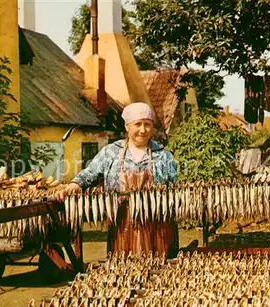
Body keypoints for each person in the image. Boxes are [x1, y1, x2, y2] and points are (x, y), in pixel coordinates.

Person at [55, 102, 179, 256]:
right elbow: (90, 173)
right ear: (127, 126)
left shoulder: (163, 155)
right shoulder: (111, 153)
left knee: (161, 269)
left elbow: (174, 189)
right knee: (124, 268)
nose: (142, 130)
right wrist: (75, 184)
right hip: (122, 223)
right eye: (137, 124)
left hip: (158, 225)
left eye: (147, 124)